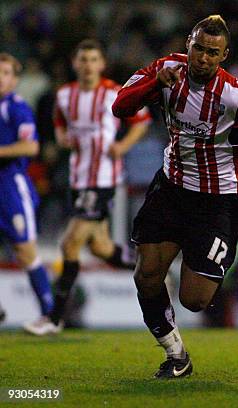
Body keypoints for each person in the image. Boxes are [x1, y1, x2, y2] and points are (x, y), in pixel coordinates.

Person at [112, 15, 238, 379]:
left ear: (223, 55)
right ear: (188, 44)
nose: (202, 58)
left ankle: (201, 262)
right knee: (146, 275)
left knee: (195, 300)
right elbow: (120, 107)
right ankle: (176, 355)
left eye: (212, 52)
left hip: (218, 201)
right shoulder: (165, 69)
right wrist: (153, 82)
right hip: (171, 188)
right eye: (198, 48)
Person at [23, 40, 151, 336]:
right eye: (83, 59)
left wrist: (122, 145)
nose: (88, 65)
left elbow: (141, 121)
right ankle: (153, 270)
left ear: (102, 64)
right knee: (101, 247)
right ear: (75, 63)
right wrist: (61, 137)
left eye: (93, 59)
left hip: (103, 179)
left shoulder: (113, 93)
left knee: (70, 243)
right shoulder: (65, 95)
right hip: (78, 179)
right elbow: (58, 122)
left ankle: (54, 318)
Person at [0, 53, 54, 328]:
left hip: (10, 186)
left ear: (15, 79)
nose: (0, 77)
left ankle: (50, 313)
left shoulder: (16, 107)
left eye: (5, 73)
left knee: (25, 251)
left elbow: (31, 147)